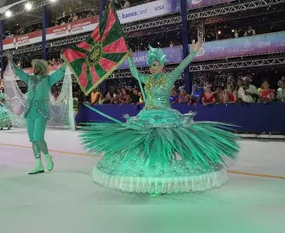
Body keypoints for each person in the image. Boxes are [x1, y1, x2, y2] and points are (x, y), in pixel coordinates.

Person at [80, 42, 239, 197]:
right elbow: (135, 74)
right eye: (151, 65)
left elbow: (182, 66)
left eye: (155, 65)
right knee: (146, 150)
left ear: (162, 65)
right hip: (147, 117)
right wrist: (130, 58)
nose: (152, 68)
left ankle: (161, 182)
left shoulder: (169, 78)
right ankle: (149, 177)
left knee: (164, 150)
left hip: (165, 117)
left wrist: (194, 52)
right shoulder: (147, 80)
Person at [7, 54, 67, 175]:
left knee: (38, 138)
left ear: (42, 69)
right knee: (33, 139)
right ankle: (38, 164)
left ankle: (47, 156)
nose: (35, 69)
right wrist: (11, 62)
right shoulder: (30, 79)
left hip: (41, 111)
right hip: (30, 112)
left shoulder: (48, 79)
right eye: (34, 67)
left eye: (37, 67)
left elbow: (60, 73)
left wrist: (66, 63)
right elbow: (19, 72)